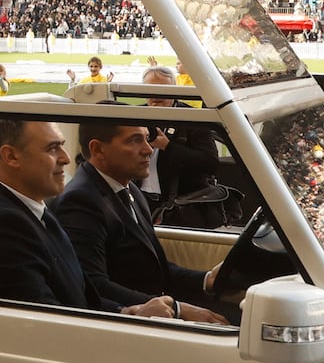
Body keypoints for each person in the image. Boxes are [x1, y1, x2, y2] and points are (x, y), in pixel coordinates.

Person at [0, 118, 177, 317]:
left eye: (62, 145)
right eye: (52, 148)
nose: (66, 158)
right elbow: (43, 321)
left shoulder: (31, 210)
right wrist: (133, 318)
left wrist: (125, 312)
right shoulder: (2, 226)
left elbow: (77, 297)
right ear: (11, 156)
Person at [51, 117, 229, 324]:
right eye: (135, 140)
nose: (149, 149)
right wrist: (177, 309)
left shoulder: (128, 189)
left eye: (146, 139)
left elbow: (155, 269)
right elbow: (92, 284)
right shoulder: (80, 201)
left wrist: (207, 280)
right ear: (98, 149)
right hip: (129, 322)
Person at [134, 65, 234, 229]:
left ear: (174, 91)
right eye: (149, 90)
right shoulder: (132, 116)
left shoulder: (192, 118)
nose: (154, 96)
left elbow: (210, 163)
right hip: (140, 202)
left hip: (181, 209)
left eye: (161, 91)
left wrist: (168, 146)